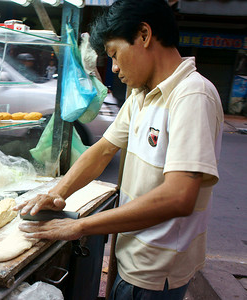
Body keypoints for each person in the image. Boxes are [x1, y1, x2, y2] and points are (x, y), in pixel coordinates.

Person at [14, 0, 224, 299]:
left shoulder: (192, 95)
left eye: (114, 54)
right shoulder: (142, 95)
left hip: (155, 270)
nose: (114, 68)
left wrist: (80, 226)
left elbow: (179, 197)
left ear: (144, 35)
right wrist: (58, 192)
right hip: (131, 255)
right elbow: (102, 150)